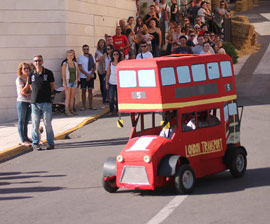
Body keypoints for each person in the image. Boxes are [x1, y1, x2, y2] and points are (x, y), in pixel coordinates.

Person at [28, 55, 55, 150]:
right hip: (35, 102)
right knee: (35, 124)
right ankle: (35, 143)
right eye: (35, 61)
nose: (37, 62)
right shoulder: (31, 74)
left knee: (47, 123)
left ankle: (50, 142)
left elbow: (52, 86)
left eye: (39, 60)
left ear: (42, 61)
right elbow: (31, 86)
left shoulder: (48, 73)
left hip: (46, 102)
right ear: (33, 62)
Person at [16, 62, 32, 146]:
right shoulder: (19, 79)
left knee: (26, 121)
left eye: (28, 68)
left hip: (29, 101)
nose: (26, 70)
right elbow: (23, 91)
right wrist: (28, 82)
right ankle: (23, 139)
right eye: (24, 68)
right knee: (21, 121)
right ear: (21, 70)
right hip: (22, 101)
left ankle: (26, 137)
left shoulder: (30, 78)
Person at [78, 44, 97, 111]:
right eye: (85, 49)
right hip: (83, 77)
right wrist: (87, 75)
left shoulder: (92, 57)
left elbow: (94, 66)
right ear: (83, 50)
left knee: (90, 91)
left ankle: (91, 105)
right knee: (83, 91)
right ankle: (83, 106)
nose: (86, 50)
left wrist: (90, 74)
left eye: (87, 49)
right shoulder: (80, 58)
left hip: (91, 76)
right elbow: (80, 67)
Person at [61, 50, 80, 116]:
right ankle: (67, 110)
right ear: (66, 56)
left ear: (73, 56)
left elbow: (78, 72)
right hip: (67, 82)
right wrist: (65, 84)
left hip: (74, 82)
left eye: (71, 55)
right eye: (68, 55)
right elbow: (63, 75)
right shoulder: (65, 64)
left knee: (72, 97)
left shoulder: (75, 63)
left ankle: (72, 109)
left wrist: (77, 79)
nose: (70, 56)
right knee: (68, 97)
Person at [106, 49, 122, 116]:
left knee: (119, 98)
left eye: (117, 54)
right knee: (111, 97)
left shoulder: (121, 63)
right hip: (111, 82)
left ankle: (118, 110)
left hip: (119, 83)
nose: (115, 56)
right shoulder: (110, 64)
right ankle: (111, 110)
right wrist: (106, 83)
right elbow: (108, 73)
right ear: (112, 56)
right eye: (114, 54)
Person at [95, 39, 107, 107]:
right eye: (100, 43)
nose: (101, 44)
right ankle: (103, 98)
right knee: (102, 84)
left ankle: (105, 99)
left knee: (105, 84)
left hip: (106, 68)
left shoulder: (106, 50)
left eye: (102, 42)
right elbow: (94, 59)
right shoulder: (97, 51)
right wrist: (100, 60)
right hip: (100, 68)